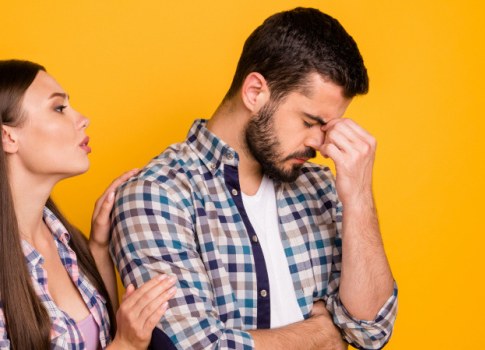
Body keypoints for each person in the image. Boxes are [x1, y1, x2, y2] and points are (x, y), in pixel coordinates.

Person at [110, 7, 398, 350]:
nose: (320, 144)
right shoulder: (157, 196)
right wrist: (322, 335)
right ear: (255, 92)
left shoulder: (322, 187)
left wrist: (359, 195)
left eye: (328, 127)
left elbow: (370, 330)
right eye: (309, 122)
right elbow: (200, 347)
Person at [0, 60, 177, 350]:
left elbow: (104, 335)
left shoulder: (64, 240)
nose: (83, 119)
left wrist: (99, 249)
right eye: (59, 108)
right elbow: (119, 343)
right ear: (7, 136)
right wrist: (126, 346)